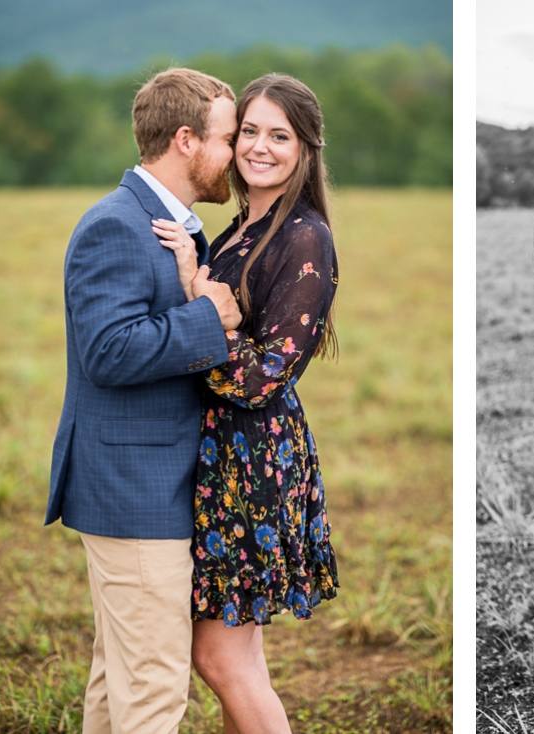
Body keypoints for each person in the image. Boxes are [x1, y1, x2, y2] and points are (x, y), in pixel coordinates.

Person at [45, 68, 242, 733]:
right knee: (155, 686)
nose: (239, 155)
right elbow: (108, 350)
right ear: (186, 140)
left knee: (121, 678)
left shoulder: (169, 224)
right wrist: (209, 318)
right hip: (135, 491)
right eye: (229, 138)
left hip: (152, 486)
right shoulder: (117, 225)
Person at [153, 73, 339, 734]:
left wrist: (205, 311)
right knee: (241, 660)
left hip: (254, 461)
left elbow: (262, 378)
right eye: (248, 133)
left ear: (306, 149)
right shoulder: (236, 230)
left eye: (279, 136)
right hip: (222, 457)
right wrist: (199, 296)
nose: (259, 147)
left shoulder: (304, 239)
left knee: (220, 658)